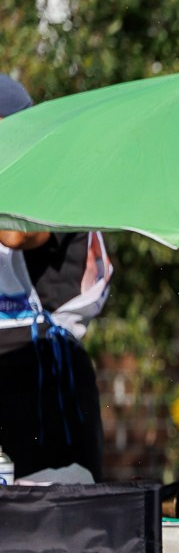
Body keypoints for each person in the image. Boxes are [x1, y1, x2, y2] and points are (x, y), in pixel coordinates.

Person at [0, 74, 113, 481]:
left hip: (45, 375)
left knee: (54, 507)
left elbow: (16, 234)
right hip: (11, 367)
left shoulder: (53, 180)